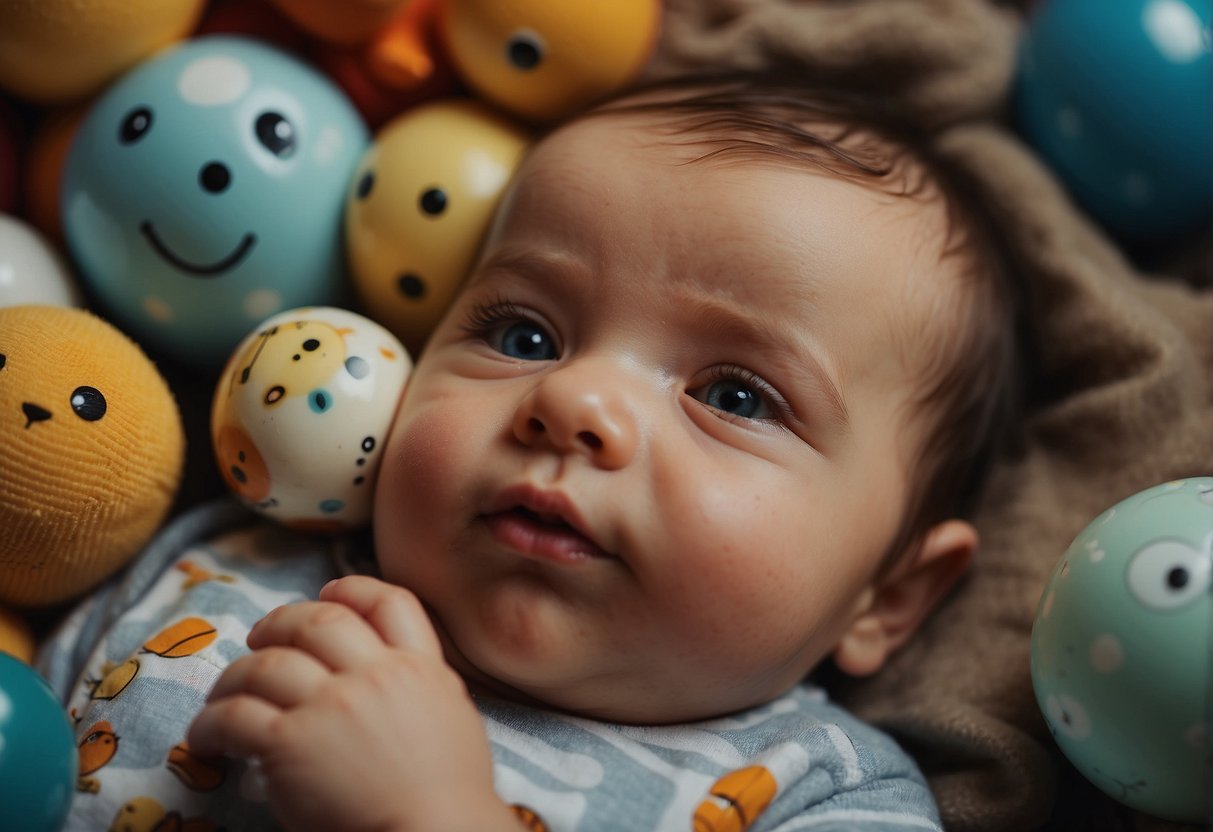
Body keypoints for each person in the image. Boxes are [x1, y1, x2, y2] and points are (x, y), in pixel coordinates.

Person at [41, 73, 1023, 832]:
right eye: (523, 336)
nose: (573, 398)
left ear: (887, 594)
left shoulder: (816, 790)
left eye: (732, 396)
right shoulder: (227, 556)